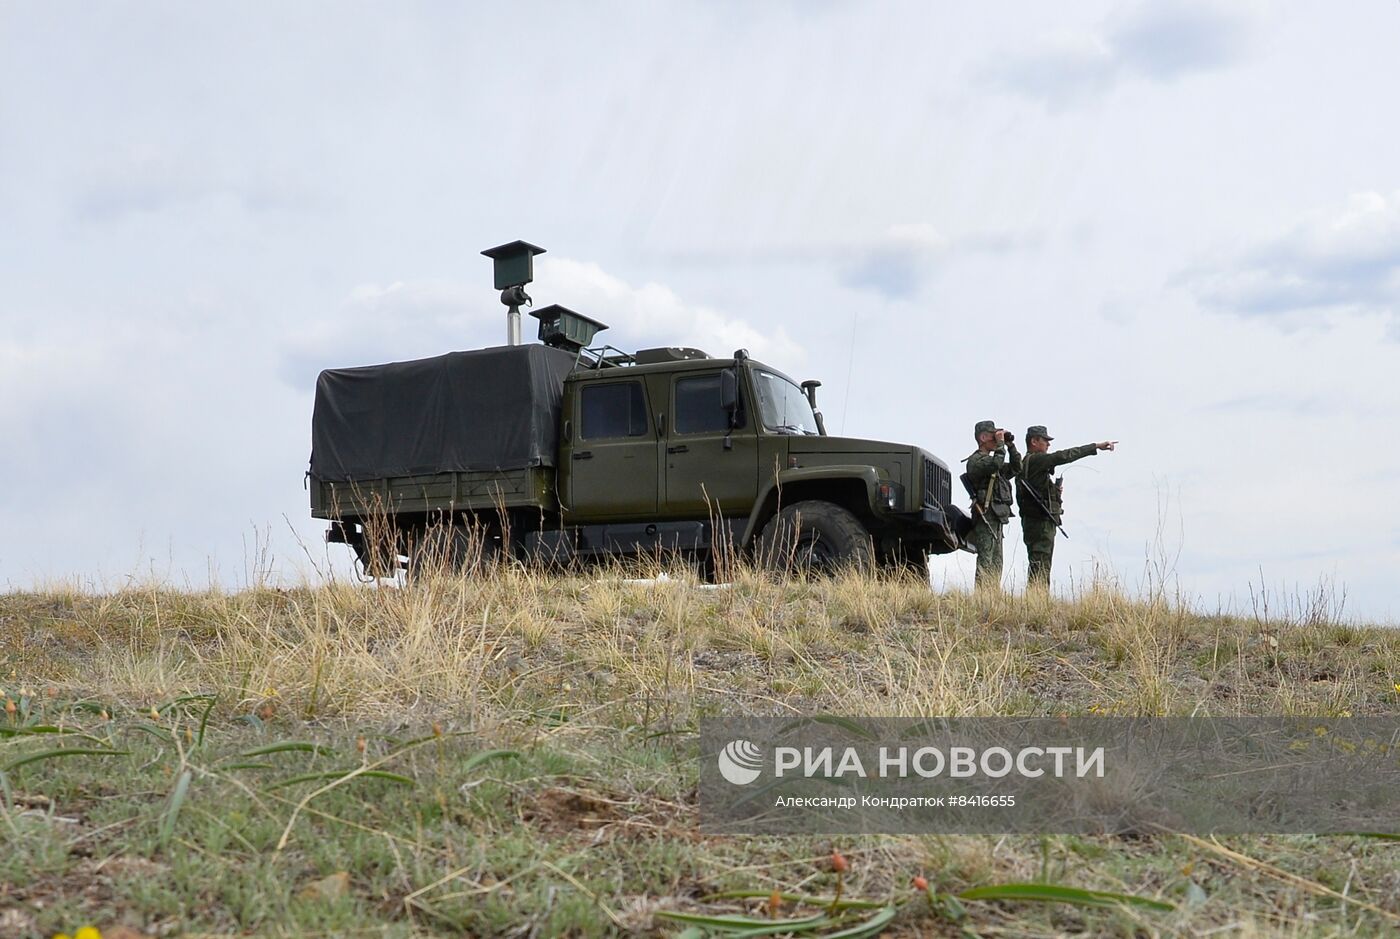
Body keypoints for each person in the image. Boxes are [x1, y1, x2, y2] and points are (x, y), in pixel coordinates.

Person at [1016, 425, 1116, 589]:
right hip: (1040, 523)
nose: (1048, 445)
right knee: (1041, 566)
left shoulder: (1024, 463)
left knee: (1038, 563)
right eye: (1045, 440)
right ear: (1034, 441)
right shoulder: (1037, 460)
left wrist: (1053, 492)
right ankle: (1037, 602)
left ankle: (1036, 601)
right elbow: (1065, 456)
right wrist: (1095, 446)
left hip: (1032, 522)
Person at [962, 420, 1021, 590]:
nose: (996, 439)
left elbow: (1017, 468)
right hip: (986, 514)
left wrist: (1010, 446)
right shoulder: (976, 461)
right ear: (983, 437)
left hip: (997, 515)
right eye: (993, 435)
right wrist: (1001, 444)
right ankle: (981, 596)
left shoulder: (993, 461)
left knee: (997, 560)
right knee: (986, 558)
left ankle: (992, 595)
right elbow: (996, 464)